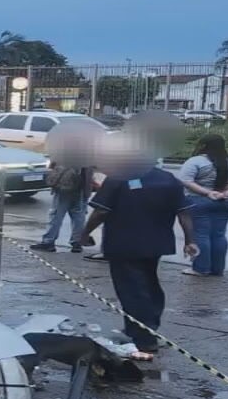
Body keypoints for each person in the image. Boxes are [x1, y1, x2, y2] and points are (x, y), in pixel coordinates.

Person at [79, 154, 197, 360]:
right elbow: (184, 212)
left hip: (124, 244)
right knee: (150, 286)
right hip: (156, 244)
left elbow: (101, 212)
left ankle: (143, 338)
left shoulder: (118, 178)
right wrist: (190, 240)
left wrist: (85, 233)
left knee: (132, 291)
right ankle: (148, 328)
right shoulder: (168, 178)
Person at [176, 134, 228, 277]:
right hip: (226, 201)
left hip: (199, 200)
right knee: (219, 234)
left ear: (203, 145)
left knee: (200, 234)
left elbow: (185, 180)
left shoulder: (196, 161)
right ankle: (217, 269)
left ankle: (201, 268)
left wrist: (208, 192)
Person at [31, 125, 95, 253]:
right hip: (81, 188)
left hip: (64, 188)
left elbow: (53, 165)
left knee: (56, 215)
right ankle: (76, 243)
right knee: (78, 216)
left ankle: (49, 242)